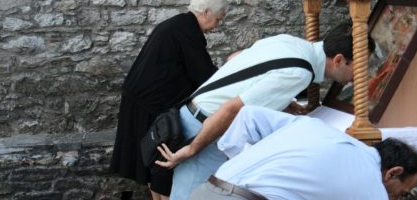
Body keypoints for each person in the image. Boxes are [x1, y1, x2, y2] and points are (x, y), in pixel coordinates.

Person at [155, 23, 376, 200]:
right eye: (359, 67)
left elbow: (236, 58)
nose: (360, 76)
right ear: (339, 60)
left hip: (197, 114)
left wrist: (282, 100)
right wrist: (192, 149)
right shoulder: (299, 74)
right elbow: (232, 109)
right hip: (208, 128)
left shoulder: (291, 42)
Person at [109, 0, 228, 200]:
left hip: (141, 100)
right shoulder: (188, 32)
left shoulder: (179, 24)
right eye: (218, 19)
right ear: (206, 12)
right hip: (148, 104)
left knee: (155, 163)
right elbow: (205, 75)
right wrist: (232, 81)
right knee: (163, 162)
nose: (217, 25)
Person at [189, 106, 417, 200]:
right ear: (393, 172)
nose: (396, 198)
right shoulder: (372, 187)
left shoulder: (316, 127)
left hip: (206, 189)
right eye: (402, 194)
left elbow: (249, 114)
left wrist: (243, 161)